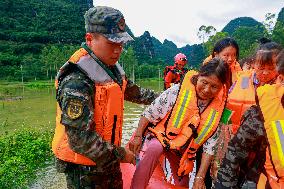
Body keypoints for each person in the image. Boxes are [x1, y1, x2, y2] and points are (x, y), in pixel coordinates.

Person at [51, 6, 158, 189]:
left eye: (121, 44)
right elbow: (80, 140)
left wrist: (168, 98)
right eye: (112, 43)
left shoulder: (111, 69)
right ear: (90, 39)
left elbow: (137, 93)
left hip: (108, 160)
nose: (118, 50)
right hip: (85, 169)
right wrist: (121, 154)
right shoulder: (76, 81)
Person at [129, 58, 230, 189]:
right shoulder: (175, 92)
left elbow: (209, 148)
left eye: (214, 86)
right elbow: (149, 113)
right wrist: (137, 136)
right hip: (162, 137)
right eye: (204, 82)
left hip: (182, 150)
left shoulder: (218, 109)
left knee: (183, 183)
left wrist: (199, 177)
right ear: (198, 77)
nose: (206, 90)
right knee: (154, 149)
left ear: (221, 87)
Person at [211, 45, 282, 188]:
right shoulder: (242, 81)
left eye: (271, 67)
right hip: (236, 143)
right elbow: (227, 114)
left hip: (264, 157)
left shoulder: (279, 91)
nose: (265, 72)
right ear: (254, 63)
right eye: (261, 67)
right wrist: (220, 152)